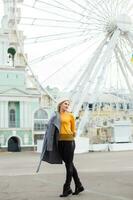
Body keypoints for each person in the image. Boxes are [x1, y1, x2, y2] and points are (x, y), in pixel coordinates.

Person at [36, 97, 84, 197]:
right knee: (69, 163)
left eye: (68, 104)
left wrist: (70, 135)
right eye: (65, 104)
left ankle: (67, 188)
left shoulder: (70, 115)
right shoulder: (55, 115)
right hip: (60, 142)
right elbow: (50, 127)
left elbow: (73, 129)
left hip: (69, 141)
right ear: (60, 104)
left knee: (68, 164)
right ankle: (79, 185)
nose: (67, 106)